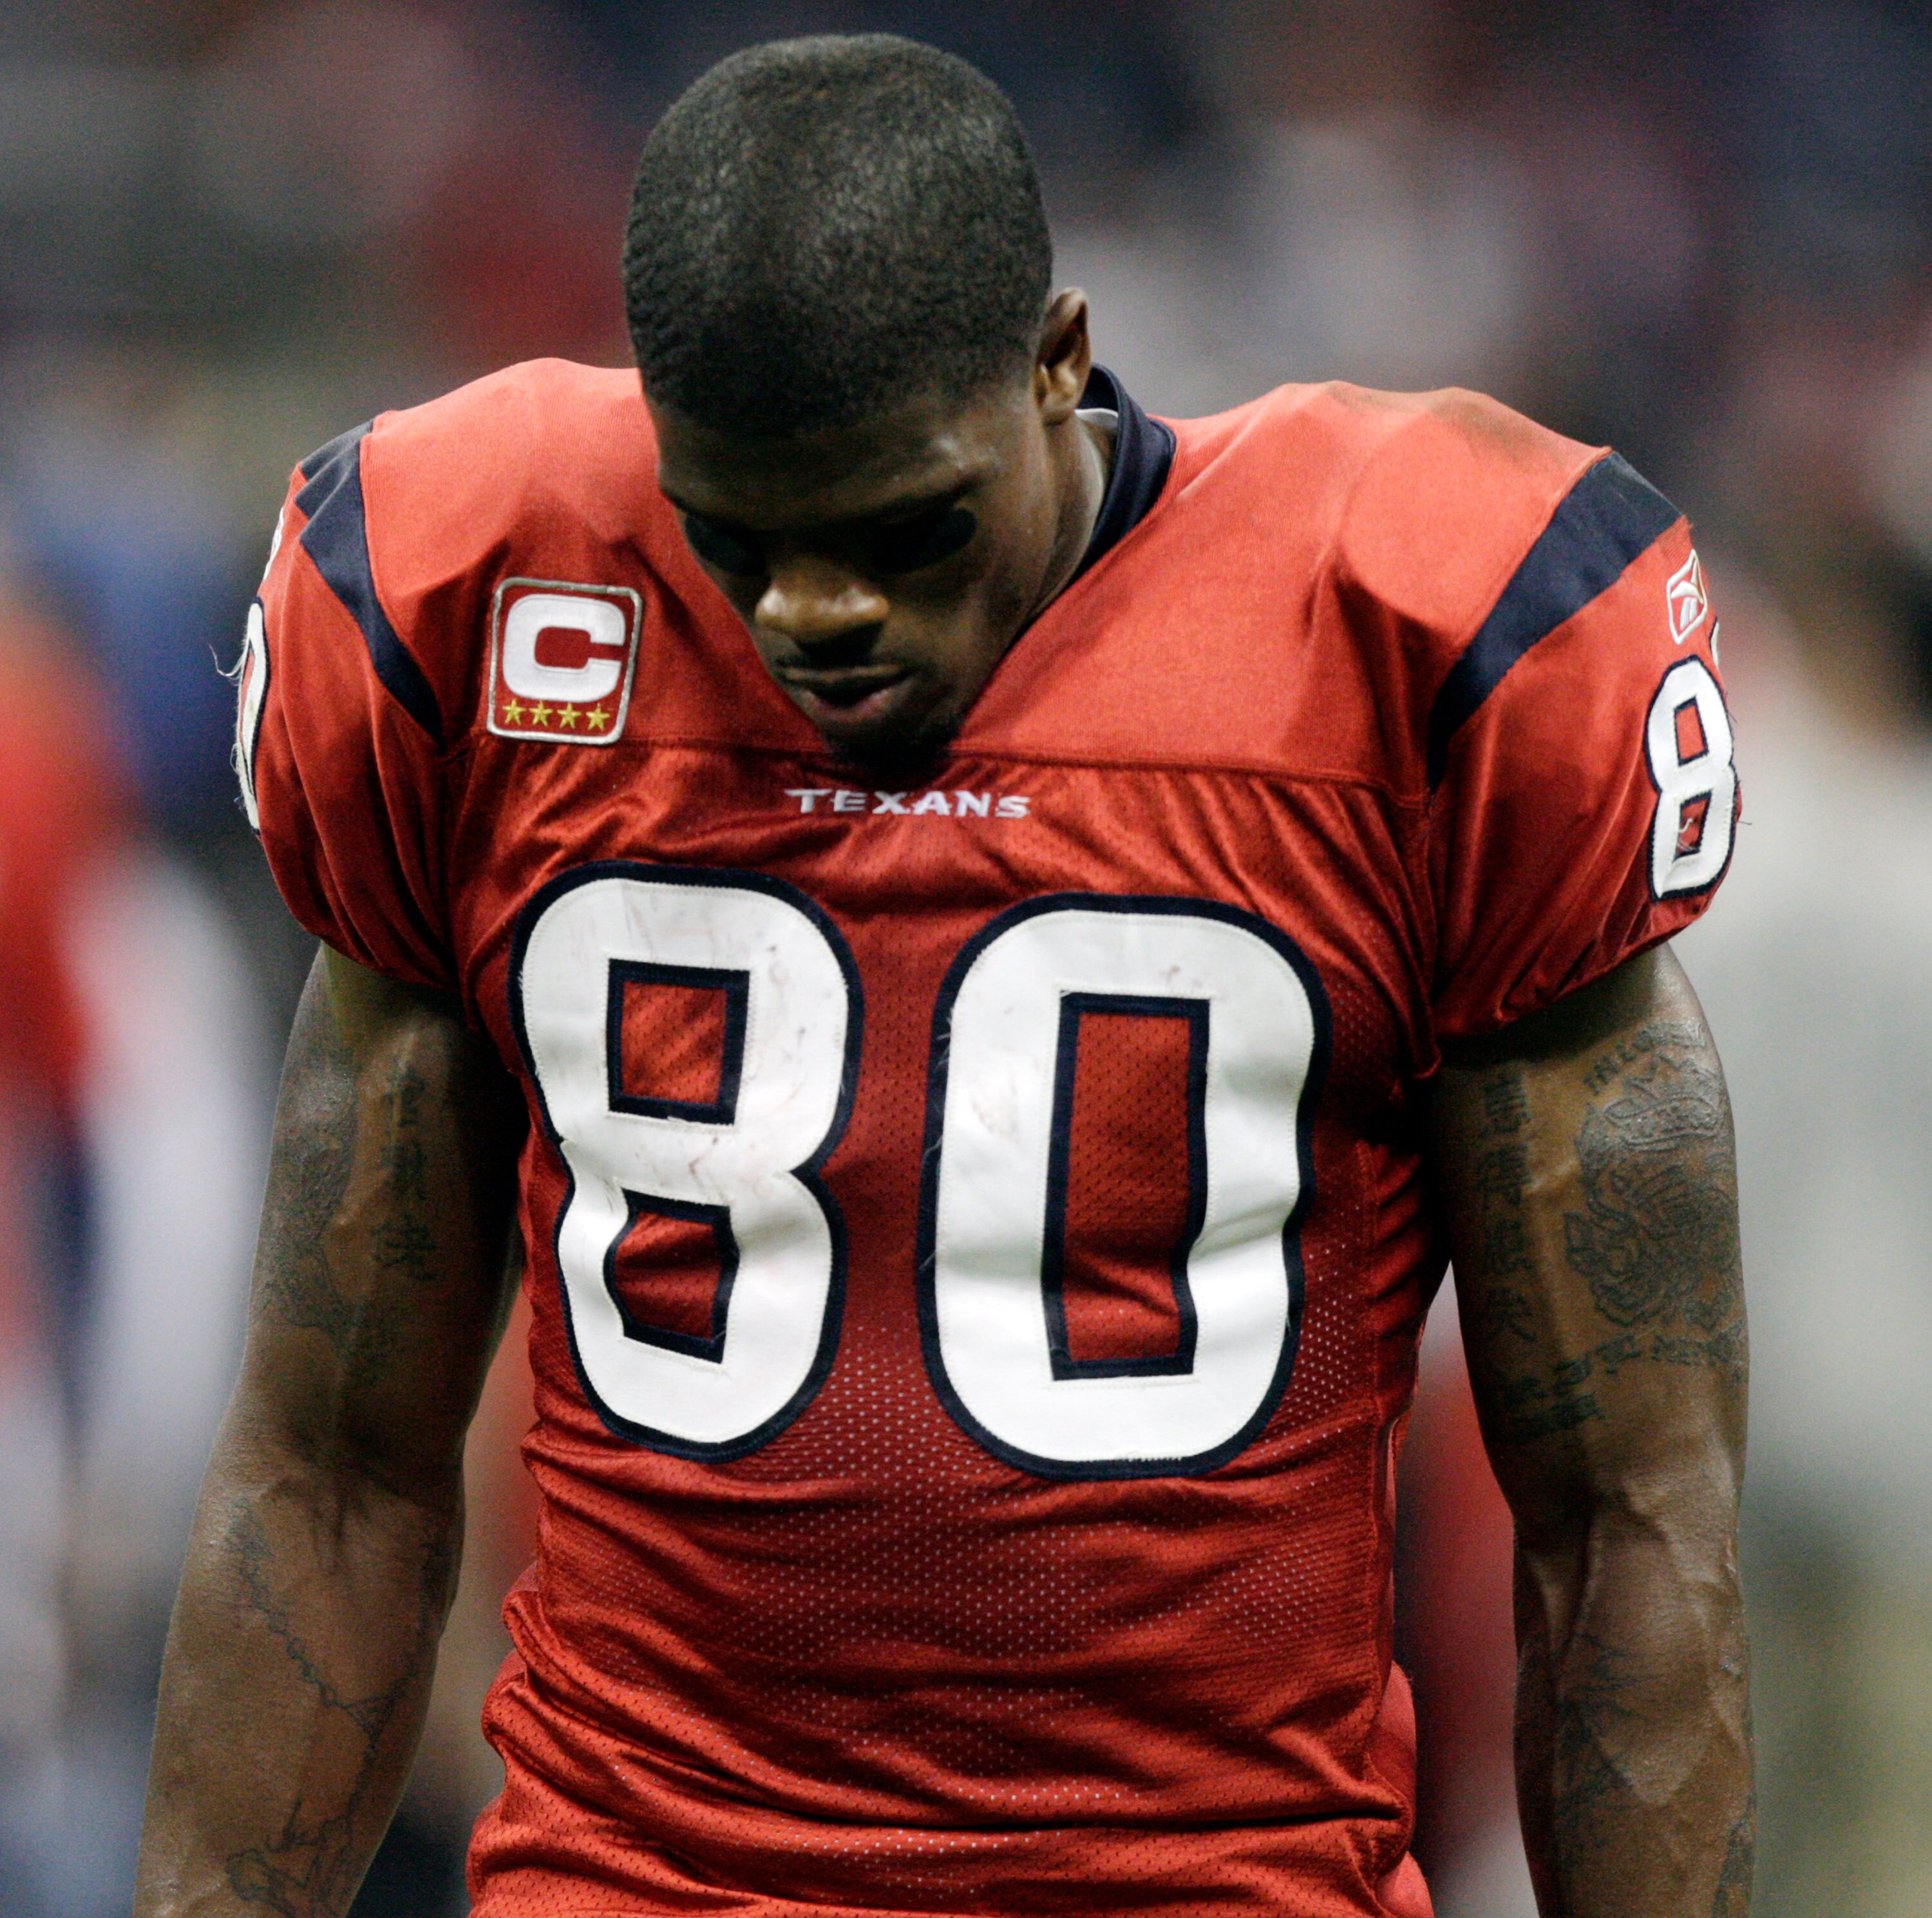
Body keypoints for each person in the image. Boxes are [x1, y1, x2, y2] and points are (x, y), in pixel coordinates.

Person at [133, 35, 1752, 1918]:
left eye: (905, 529)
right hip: (645, 1875)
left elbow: (1626, 1517)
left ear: (1058, 361)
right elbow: (331, 1466)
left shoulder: (1420, 638)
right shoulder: (478, 600)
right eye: (739, 539)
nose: (816, 612)